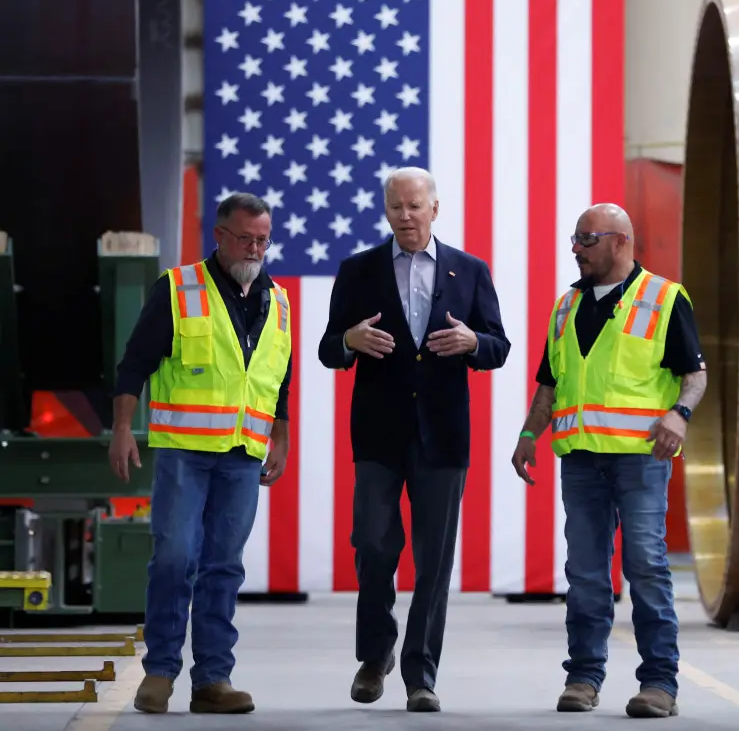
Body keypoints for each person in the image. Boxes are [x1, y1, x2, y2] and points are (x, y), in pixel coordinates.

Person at [317, 166, 510, 712]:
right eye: (395, 206)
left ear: (435, 209)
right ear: (385, 210)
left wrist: (474, 341)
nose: (405, 215)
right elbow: (329, 349)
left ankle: (421, 674)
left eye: (414, 206)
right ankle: (375, 653)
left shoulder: (469, 271)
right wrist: (350, 340)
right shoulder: (358, 270)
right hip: (378, 436)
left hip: (444, 438)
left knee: (434, 561)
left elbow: (500, 346)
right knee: (373, 545)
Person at [511, 203, 708, 719]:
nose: (575, 248)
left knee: (645, 565)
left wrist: (680, 415)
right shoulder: (564, 307)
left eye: (586, 239)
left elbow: (695, 375)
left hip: (640, 459)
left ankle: (659, 683)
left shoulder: (664, 299)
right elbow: (550, 383)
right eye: (575, 239)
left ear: (620, 241)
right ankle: (583, 677)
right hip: (579, 460)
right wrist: (531, 431)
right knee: (586, 572)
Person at [108, 192, 292, 715]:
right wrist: (122, 429)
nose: (255, 248)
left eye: (263, 238)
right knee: (174, 557)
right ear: (219, 236)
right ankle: (161, 672)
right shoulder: (178, 288)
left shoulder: (277, 301)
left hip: (242, 456)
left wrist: (280, 438)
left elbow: (280, 379)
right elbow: (133, 365)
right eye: (245, 238)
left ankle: (213, 678)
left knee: (223, 566)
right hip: (184, 453)